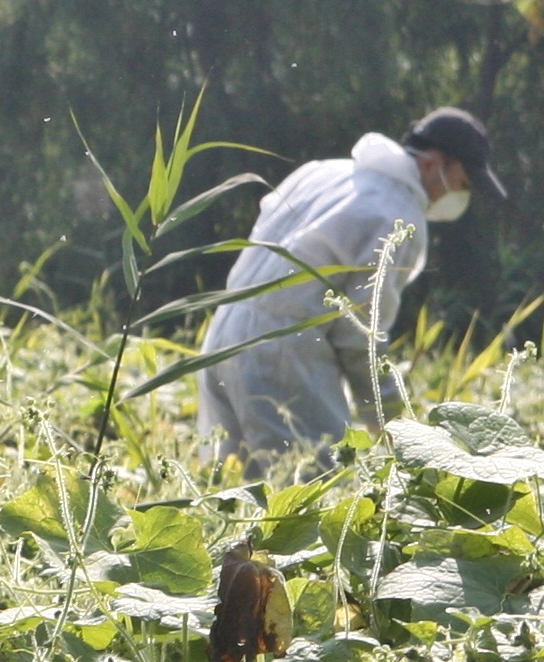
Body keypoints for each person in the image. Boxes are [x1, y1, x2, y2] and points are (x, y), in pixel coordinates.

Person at [196, 108, 500, 462]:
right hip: (282, 357)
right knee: (308, 490)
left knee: (229, 493)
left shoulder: (325, 173)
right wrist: (394, 424)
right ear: (433, 164)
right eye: (463, 183)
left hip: (222, 336)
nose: (461, 195)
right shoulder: (398, 214)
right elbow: (362, 336)